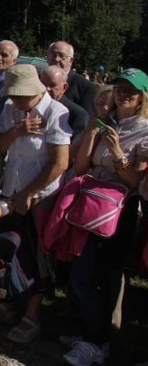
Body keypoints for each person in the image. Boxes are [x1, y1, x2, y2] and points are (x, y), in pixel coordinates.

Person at [59, 69, 148, 366]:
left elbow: (136, 181)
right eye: (120, 87)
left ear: (142, 97)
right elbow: (82, 167)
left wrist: (118, 153)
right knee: (82, 275)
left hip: (118, 214)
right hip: (89, 209)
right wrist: (92, 135)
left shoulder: (145, 131)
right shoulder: (107, 122)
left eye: (131, 90)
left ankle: (98, 340)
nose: (124, 94)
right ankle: (92, 335)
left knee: (91, 276)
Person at [0, 63, 70, 344]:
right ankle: (14, 303)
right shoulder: (12, 111)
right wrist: (17, 131)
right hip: (12, 191)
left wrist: (29, 193)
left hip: (40, 197)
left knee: (37, 257)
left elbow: (60, 163)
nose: (15, 101)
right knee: (13, 251)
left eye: (20, 96)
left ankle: (32, 316)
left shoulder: (55, 113)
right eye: (13, 96)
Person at [41, 65, 89, 142]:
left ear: (65, 87)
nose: (46, 88)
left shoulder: (78, 115)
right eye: (43, 84)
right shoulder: (33, 107)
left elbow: (74, 147)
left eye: (52, 85)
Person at [47, 41, 97, 116]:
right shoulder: (39, 81)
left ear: (70, 60)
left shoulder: (86, 87)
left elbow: (86, 120)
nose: (57, 59)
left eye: (62, 56)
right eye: (53, 55)